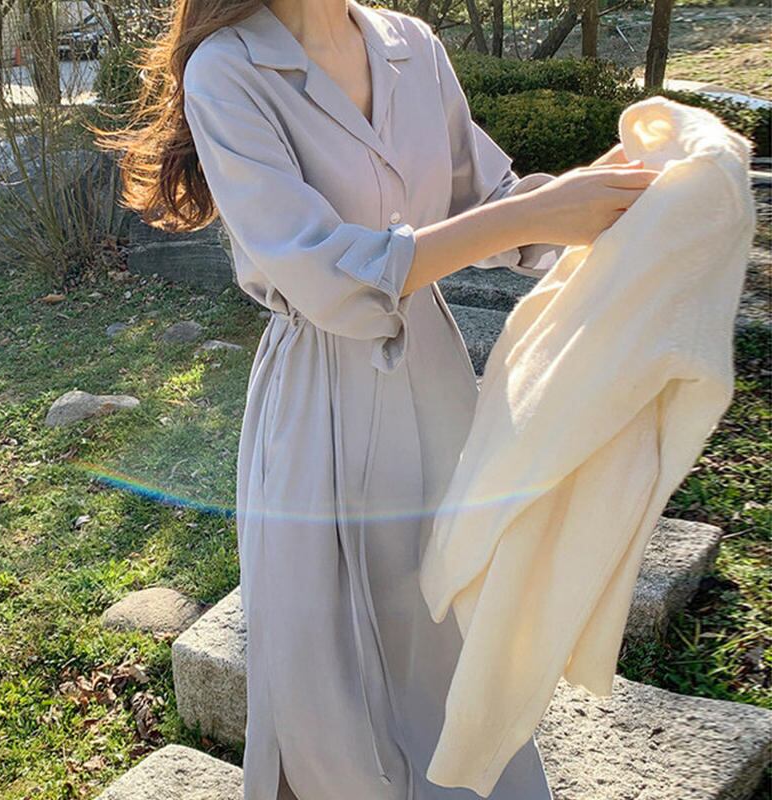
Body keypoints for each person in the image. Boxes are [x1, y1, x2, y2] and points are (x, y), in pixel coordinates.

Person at [96, 1, 660, 797]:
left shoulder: (411, 45)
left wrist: (609, 196)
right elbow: (323, 273)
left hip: (434, 385)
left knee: (448, 633)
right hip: (318, 396)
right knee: (328, 670)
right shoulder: (227, 69)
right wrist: (532, 213)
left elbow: (486, 202)